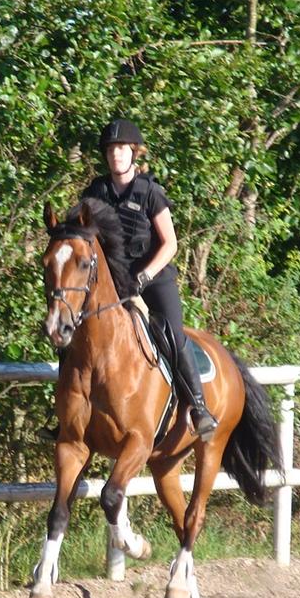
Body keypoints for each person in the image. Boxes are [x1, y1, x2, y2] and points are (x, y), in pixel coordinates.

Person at [41, 118, 219, 442]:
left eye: (121, 149)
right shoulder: (96, 192)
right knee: (73, 337)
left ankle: (199, 407)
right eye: (110, 150)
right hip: (111, 281)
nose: (115, 155)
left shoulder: (150, 192)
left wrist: (147, 274)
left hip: (153, 278)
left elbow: (171, 244)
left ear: (133, 152)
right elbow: (79, 236)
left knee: (173, 335)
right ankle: (66, 413)